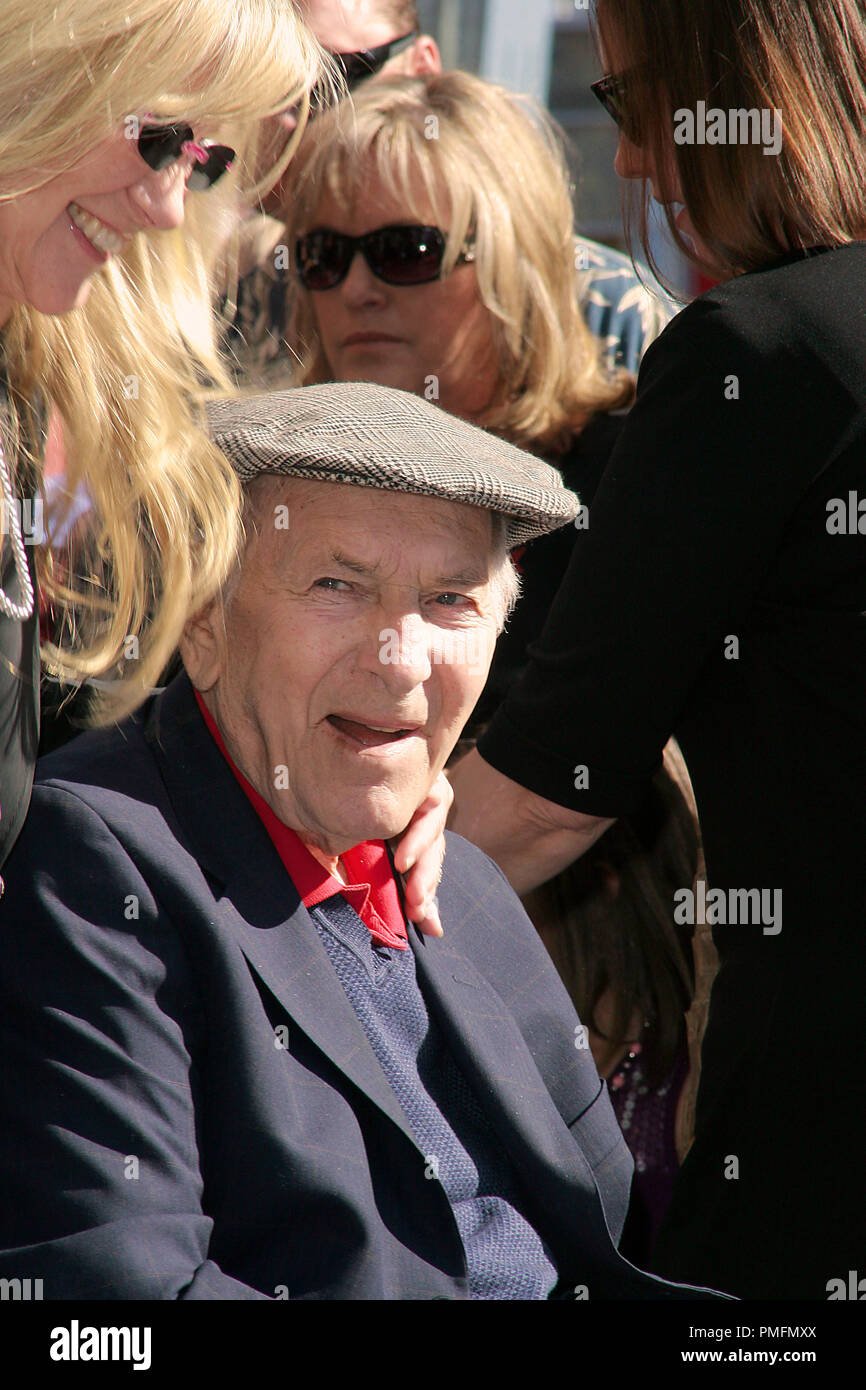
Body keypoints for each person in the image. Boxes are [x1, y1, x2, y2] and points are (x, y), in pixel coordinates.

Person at [0, 382, 727, 1301]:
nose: (400, 657)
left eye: (450, 600)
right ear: (205, 623)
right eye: (337, 586)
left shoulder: (457, 883)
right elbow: (110, 1295)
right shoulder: (95, 861)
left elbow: (608, 1254)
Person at [449, 0, 866, 1300]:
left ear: (736, 101)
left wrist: (263, 921)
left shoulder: (760, 354)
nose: (627, 164)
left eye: (632, 110)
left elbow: (535, 804)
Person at [0, 0, 323, 869]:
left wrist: (366, 782)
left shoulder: (76, 382)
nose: (170, 209)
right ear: (36, 69)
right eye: (157, 138)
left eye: (202, 163)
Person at [280, 68, 638, 720]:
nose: (357, 287)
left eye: (406, 249)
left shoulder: (630, 482)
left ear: (516, 258)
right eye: (324, 254)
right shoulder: (265, 481)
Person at [228, 0, 673, 378]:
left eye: (329, 81)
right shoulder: (239, 307)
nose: (291, 118)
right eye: (322, 256)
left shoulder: (618, 317)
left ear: (424, 68)